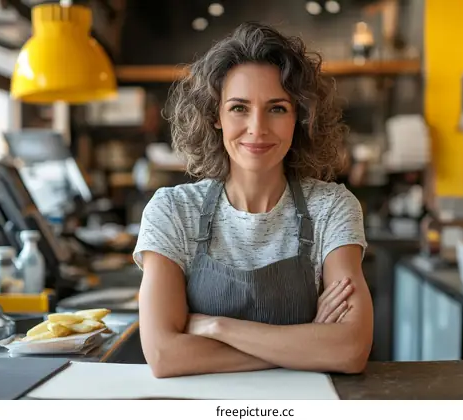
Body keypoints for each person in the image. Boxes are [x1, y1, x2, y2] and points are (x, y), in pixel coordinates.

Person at [133, 22, 374, 378]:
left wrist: (217, 327)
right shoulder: (172, 211)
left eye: (277, 108)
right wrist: (306, 346)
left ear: (299, 117)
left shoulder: (332, 208)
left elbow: (351, 349)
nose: (257, 128)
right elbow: (164, 356)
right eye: (238, 108)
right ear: (215, 116)